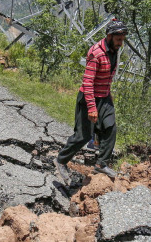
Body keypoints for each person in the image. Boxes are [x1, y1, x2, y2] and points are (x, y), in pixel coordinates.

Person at [54, 19, 128, 184]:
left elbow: (107, 76)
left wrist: (108, 95)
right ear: (109, 36)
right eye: (118, 39)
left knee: (110, 128)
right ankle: (61, 160)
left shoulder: (114, 50)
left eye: (122, 40)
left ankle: (101, 164)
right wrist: (92, 108)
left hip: (104, 96)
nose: (121, 43)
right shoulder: (96, 53)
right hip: (89, 97)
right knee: (83, 135)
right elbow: (87, 83)